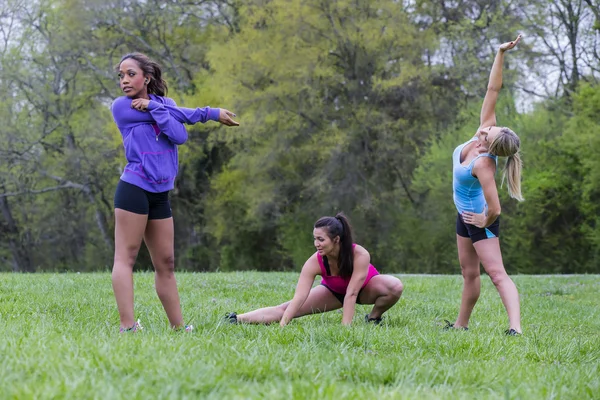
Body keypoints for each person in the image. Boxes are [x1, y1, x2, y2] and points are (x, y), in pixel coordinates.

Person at [110, 52, 239, 332]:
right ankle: (127, 326)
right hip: (133, 187)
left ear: (148, 77)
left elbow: (179, 135)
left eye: (131, 74)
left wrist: (155, 108)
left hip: (160, 193)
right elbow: (181, 117)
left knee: (166, 263)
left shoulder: (164, 105)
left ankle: (178, 327)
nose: (124, 80)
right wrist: (210, 113)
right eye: (121, 75)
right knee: (126, 258)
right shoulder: (121, 107)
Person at [447, 35, 524, 335]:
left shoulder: (484, 164)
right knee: (469, 274)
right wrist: (500, 53)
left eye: (485, 138)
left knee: (496, 274)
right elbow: (494, 88)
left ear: (492, 148)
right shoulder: (487, 128)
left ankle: (515, 329)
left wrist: (483, 220)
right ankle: (460, 326)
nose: (481, 133)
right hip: (464, 216)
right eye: (487, 130)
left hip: (480, 219)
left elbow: (496, 207)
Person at [226, 213, 404, 326]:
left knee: (394, 286)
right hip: (334, 293)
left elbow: (352, 293)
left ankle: (373, 319)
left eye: (321, 239)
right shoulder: (314, 261)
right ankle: (237, 319)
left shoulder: (359, 254)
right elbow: (299, 297)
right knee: (285, 309)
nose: (316, 244)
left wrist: (346, 332)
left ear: (336, 239)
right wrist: (283, 324)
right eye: (315, 239)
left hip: (364, 290)